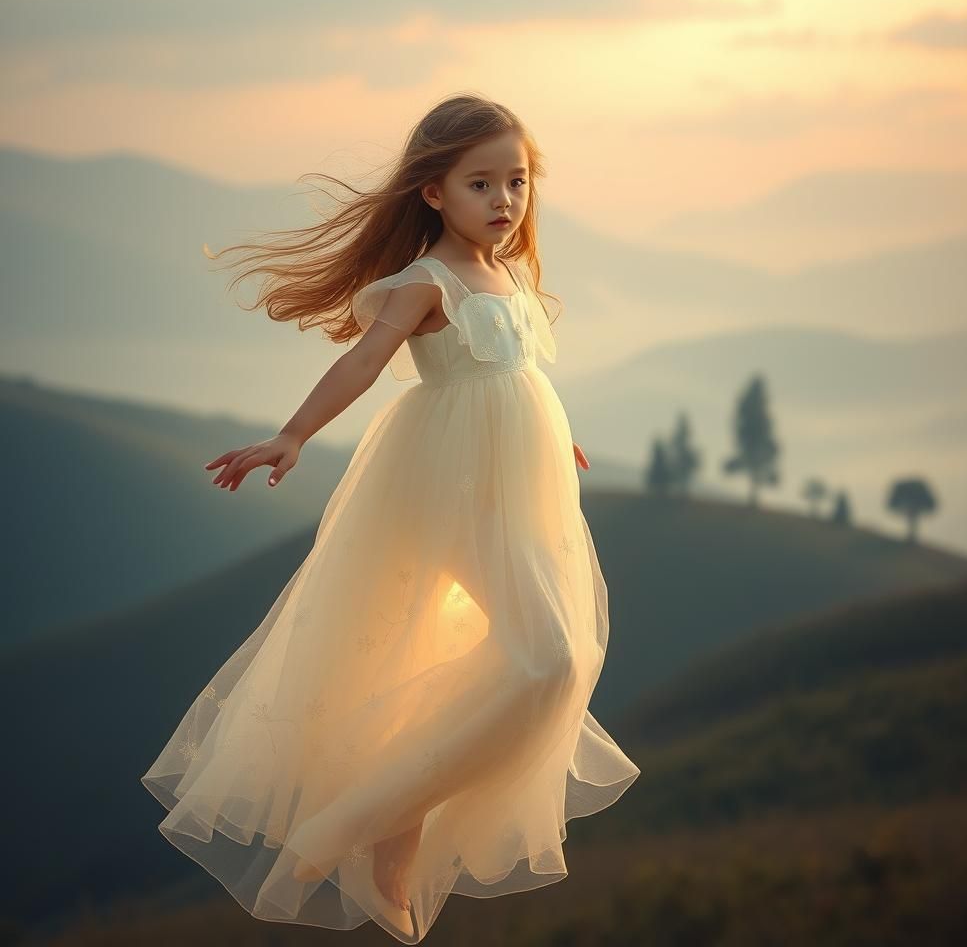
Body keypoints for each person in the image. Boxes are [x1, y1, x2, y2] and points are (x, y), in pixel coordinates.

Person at [140, 92, 640, 943]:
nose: (504, 201)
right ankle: (361, 820)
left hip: (520, 483)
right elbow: (366, 361)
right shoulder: (425, 282)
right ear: (434, 193)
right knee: (547, 658)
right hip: (445, 485)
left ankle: (393, 813)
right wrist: (293, 435)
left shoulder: (509, 273)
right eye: (481, 184)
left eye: (516, 181)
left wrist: (557, 439)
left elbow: (512, 373)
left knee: (544, 659)